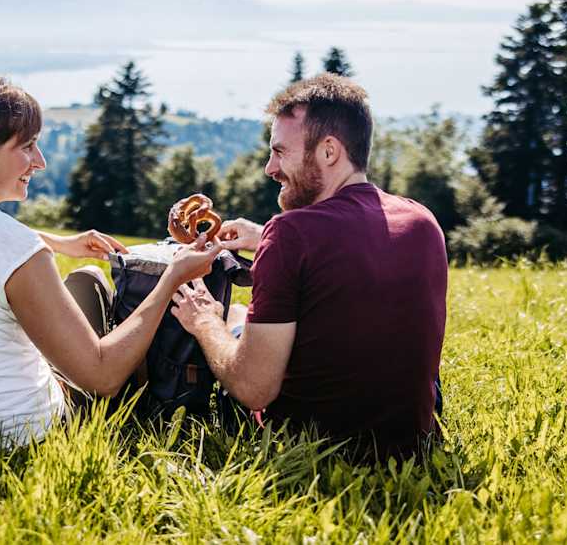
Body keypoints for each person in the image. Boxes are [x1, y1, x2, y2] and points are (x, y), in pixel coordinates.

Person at [0, 74, 219, 445]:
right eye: (26, 147)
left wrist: (59, 243)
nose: (39, 162)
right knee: (95, 291)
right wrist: (171, 278)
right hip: (13, 433)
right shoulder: (10, 244)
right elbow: (101, 377)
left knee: (86, 277)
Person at [171, 74, 447, 461]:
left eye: (280, 152)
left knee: (229, 315)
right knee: (243, 315)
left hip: (315, 446)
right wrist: (264, 234)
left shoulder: (291, 235)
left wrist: (203, 321)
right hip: (411, 439)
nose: (269, 168)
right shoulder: (422, 222)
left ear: (329, 151)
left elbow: (254, 388)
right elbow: (353, 254)